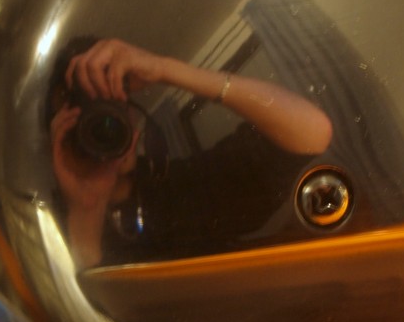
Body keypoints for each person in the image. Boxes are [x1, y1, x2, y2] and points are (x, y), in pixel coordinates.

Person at [50, 37, 333, 268]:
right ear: (60, 133)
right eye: (86, 115)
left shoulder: (178, 187)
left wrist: (165, 69)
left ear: (131, 115)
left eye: (110, 106)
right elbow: (72, 310)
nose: (104, 126)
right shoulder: (44, 219)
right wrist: (86, 211)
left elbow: (312, 133)